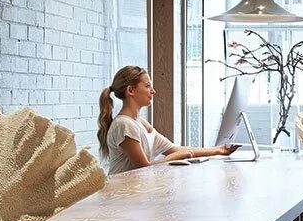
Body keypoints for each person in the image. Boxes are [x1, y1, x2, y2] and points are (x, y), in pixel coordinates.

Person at [97, 65, 236, 174]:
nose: (153, 91)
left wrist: (217, 150)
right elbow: (143, 168)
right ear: (130, 91)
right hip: (121, 195)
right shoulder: (123, 125)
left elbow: (175, 149)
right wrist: (175, 157)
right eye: (147, 86)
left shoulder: (140, 123)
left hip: (135, 192)